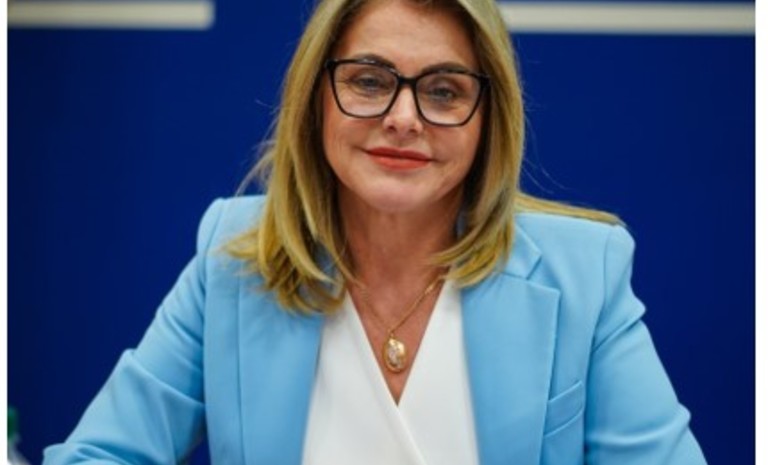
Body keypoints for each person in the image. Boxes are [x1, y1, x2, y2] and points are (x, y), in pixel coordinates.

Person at [43, 0, 708, 463]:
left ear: (488, 120)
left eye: (443, 91)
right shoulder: (233, 259)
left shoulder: (584, 272)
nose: (403, 118)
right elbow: (98, 455)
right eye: (369, 80)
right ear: (316, 98)